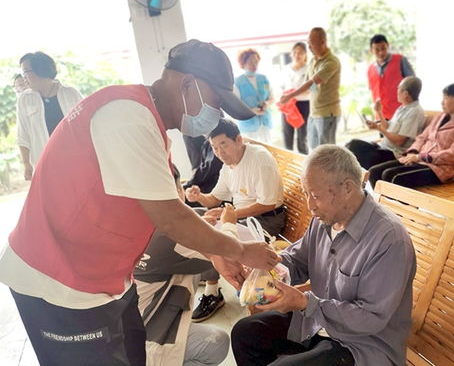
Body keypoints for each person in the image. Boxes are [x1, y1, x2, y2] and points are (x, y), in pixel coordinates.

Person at [0, 39, 279, 366]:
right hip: (57, 282)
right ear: (188, 84)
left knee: (134, 357)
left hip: (106, 279)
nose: (213, 115)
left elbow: (167, 212)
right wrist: (241, 251)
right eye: (215, 103)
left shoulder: (146, 121)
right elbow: (171, 218)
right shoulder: (127, 116)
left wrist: (216, 252)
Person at [231, 145, 416, 366]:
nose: (310, 206)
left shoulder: (389, 239)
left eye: (315, 196)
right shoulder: (324, 220)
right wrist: (269, 267)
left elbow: (370, 318)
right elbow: (297, 260)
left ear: (347, 188)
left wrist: (304, 302)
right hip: (318, 325)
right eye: (306, 194)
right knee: (245, 333)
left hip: (363, 345)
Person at [185, 119, 285, 322]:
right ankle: (208, 279)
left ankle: (212, 292)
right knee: (197, 217)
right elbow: (213, 199)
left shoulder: (258, 158)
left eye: (224, 145)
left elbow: (269, 204)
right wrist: (199, 196)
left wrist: (230, 215)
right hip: (241, 217)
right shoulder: (228, 166)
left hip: (266, 220)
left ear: (238, 139)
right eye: (214, 148)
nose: (220, 153)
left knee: (214, 235)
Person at [135, 165, 233, 366]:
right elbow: (229, 253)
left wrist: (200, 224)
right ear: (176, 191)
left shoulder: (139, 224)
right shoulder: (171, 236)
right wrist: (229, 223)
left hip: (130, 324)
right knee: (218, 343)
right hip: (150, 333)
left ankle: (212, 294)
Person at [369, 82, 454, 189]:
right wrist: (413, 152)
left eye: (446, 98)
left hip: (437, 168)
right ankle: (384, 207)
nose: (442, 102)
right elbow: (422, 137)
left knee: (390, 176)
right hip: (417, 160)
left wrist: (420, 157)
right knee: (374, 172)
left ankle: (396, 208)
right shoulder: (440, 116)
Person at [16, 51, 83, 180]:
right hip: (45, 164)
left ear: (40, 70)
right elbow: (22, 135)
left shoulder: (71, 94)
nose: (23, 77)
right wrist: (26, 164)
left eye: (25, 72)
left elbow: (85, 127)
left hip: (75, 160)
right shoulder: (24, 99)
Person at [346, 76, 426, 170]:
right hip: (383, 146)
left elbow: (399, 141)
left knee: (354, 148)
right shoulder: (403, 108)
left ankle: (348, 178)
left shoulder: (414, 112)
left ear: (405, 94)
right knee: (352, 145)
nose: (397, 92)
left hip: (394, 153)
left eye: (398, 89)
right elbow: (388, 127)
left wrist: (379, 128)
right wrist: (379, 112)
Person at [280, 27, 341, 150]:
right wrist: (308, 92)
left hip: (327, 112)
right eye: (308, 43)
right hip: (314, 112)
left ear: (322, 42)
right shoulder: (313, 61)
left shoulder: (331, 62)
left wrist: (290, 96)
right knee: (313, 149)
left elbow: (312, 81)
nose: (309, 46)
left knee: (326, 151)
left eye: (311, 43)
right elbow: (313, 86)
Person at [368, 34, 415, 121]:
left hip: (401, 113)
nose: (381, 52)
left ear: (388, 45)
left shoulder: (400, 60)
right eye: (377, 50)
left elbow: (413, 84)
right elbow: (373, 92)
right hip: (381, 116)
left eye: (383, 48)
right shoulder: (370, 69)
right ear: (371, 50)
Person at [234, 48, 274, 143]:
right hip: (248, 125)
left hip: (264, 122)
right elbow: (236, 105)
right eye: (251, 61)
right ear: (243, 63)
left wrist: (267, 103)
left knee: (268, 149)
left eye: (256, 61)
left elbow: (271, 97)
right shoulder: (238, 81)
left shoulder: (263, 78)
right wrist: (252, 111)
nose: (254, 64)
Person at [280, 42, 310, 154]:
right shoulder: (285, 69)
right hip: (288, 106)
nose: (297, 55)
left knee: (302, 138)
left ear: (305, 55)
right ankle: (288, 164)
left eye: (300, 53)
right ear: (291, 54)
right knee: (287, 136)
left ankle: (305, 164)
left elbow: (311, 89)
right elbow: (281, 87)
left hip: (303, 105)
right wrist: (283, 95)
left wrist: (293, 94)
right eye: (295, 52)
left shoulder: (309, 69)